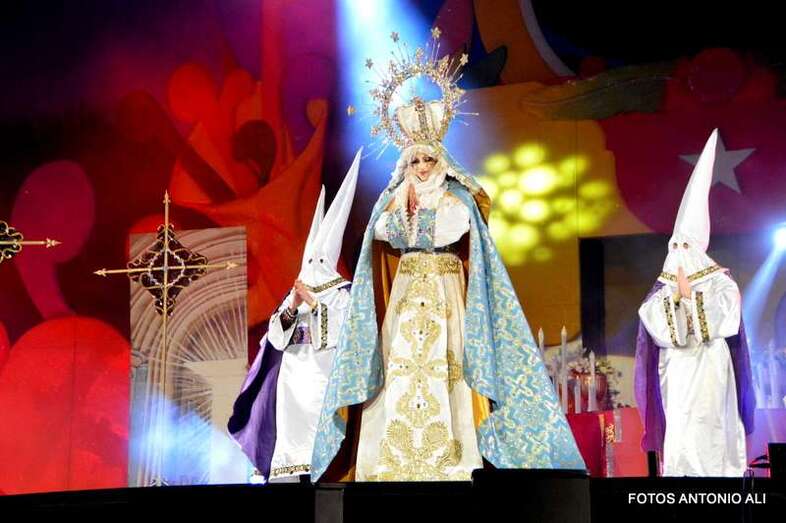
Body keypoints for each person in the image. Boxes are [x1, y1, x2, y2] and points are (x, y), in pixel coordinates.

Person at [310, 35, 584, 481]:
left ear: (439, 159)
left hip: (445, 289)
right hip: (405, 295)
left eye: (427, 160)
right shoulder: (393, 198)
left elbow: (454, 229)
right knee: (401, 363)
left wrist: (414, 221)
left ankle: (452, 456)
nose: (421, 167)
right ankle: (393, 459)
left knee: (448, 364)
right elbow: (379, 232)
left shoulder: (457, 196)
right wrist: (404, 216)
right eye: (414, 160)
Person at [228, 150, 361, 482]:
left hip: (321, 371)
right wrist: (292, 305)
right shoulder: (296, 289)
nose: (312, 263)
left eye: (318, 259)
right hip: (293, 372)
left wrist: (314, 304)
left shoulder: (342, 292)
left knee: (318, 432)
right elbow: (276, 337)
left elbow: (343, 333)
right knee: (290, 434)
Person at [636, 129, 755, 476]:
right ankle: (679, 475)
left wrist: (692, 298)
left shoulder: (720, 281)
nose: (678, 254)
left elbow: (727, 320)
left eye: (684, 246)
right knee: (681, 421)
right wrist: (676, 300)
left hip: (710, 364)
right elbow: (652, 320)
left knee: (710, 420)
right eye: (674, 246)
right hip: (678, 366)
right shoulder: (665, 286)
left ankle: (719, 475)